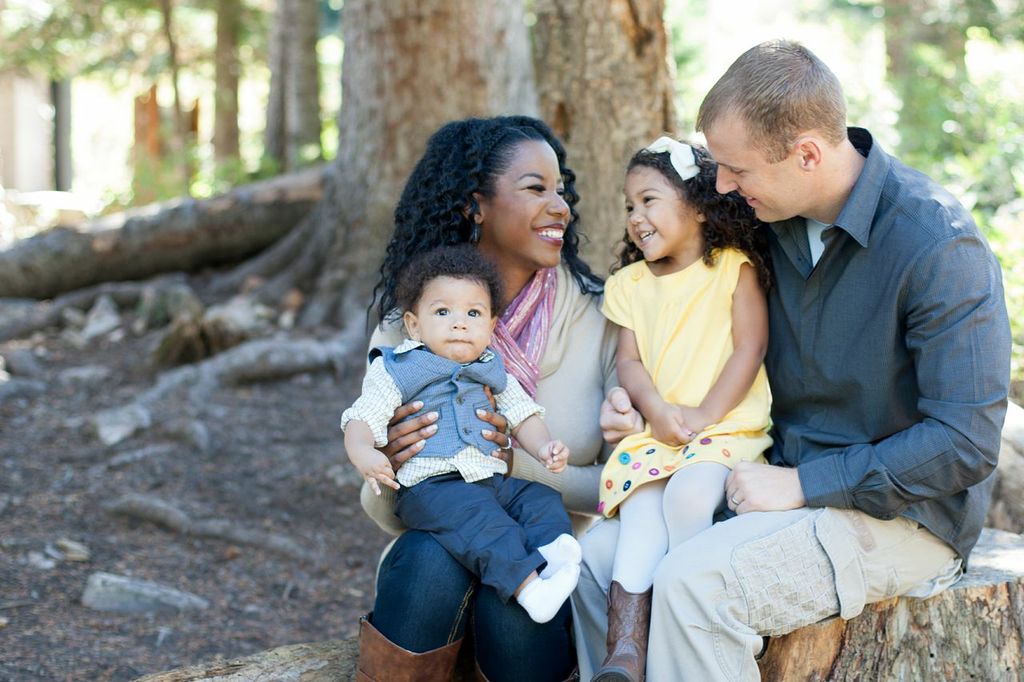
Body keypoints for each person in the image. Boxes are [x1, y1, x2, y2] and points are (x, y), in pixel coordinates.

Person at [575, 40, 1011, 681]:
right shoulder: (762, 227)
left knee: (696, 586)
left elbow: (965, 444)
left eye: (736, 170)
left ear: (807, 153)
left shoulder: (938, 246)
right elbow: (687, 314)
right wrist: (637, 401)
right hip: (764, 482)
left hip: (901, 517)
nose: (721, 185)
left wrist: (805, 485)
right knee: (598, 559)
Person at [355, 116, 618, 682]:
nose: (561, 206)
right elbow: (381, 505)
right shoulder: (412, 325)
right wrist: (397, 463)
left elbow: (630, 482)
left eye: (561, 191)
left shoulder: (606, 319)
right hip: (439, 565)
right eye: (535, 188)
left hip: (553, 568)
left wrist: (513, 465)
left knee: (521, 590)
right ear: (477, 205)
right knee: (430, 559)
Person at [589, 136, 773, 682]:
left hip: (726, 429)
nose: (635, 216)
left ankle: (692, 624)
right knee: (642, 510)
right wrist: (659, 412)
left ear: (696, 205)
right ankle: (625, 650)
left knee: (689, 497)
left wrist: (704, 416)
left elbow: (750, 347)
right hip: (659, 430)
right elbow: (630, 364)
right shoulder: (628, 286)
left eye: (648, 200)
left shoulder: (732, 269)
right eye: (629, 206)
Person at [342, 245, 582, 625]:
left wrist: (544, 446)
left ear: (490, 325)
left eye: (473, 313)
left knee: (539, 498)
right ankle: (530, 590)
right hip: (433, 487)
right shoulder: (398, 367)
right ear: (414, 324)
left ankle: (552, 554)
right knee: (485, 523)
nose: (460, 323)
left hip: (489, 479)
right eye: (443, 312)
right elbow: (363, 416)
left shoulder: (491, 368)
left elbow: (522, 414)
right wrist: (362, 451)